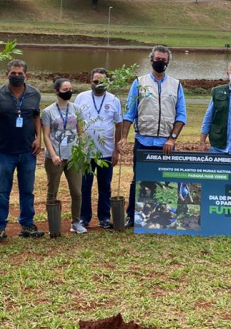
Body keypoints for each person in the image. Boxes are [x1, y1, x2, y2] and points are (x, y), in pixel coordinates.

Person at [121, 45, 187, 226]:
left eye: (164, 60)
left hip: (165, 143)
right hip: (143, 141)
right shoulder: (139, 83)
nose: (160, 62)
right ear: (151, 60)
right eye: (157, 59)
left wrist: (172, 138)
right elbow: (129, 113)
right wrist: (123, 137)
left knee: (165, 180)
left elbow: (181, 116)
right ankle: (131, 216)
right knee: (138, 179)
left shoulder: (176, 85)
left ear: (168, 62)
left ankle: (164, 217)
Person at [0, 59, 44, 240]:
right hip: (4, 152)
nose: (16, 76)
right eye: (13, 73)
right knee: (3, 192)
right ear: (6, 74)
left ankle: (27, 225)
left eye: (20, 73)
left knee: (27, 191)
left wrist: (38, 138)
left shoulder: (35, 94)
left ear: (27, 75)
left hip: (27, 151)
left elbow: (36, 117)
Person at [75, 68, 122, 229]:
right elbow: (75, 122)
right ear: (90, 81)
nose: (98, 85)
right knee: (85, 186)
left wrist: (116, 149)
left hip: (106, 151)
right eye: (95, 81)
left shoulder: (114, 100)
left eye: (102, 81)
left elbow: (119, 124)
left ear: (107, 82)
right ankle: (84, 218)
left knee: (105, 186)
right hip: (86, 152)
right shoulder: (81, 98)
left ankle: (104, 218)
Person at [41, 78, 85, 234]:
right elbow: (46, 135)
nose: (69, 92)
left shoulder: (77, 109)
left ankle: (76, 222)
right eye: (65, 89)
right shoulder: (48, 112)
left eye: (71, 89)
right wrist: (53, 155)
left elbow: (81, 132)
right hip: (55, 158)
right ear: (57, 91)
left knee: (77, 192)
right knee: (52, 191)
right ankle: (53, 223)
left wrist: (82, 151)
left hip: (74, 157)